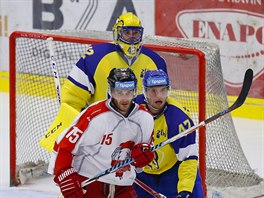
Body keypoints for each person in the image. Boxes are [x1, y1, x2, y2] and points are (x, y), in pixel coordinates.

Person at [39, 12, 167, 152]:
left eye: (135, 33)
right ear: (117, 33)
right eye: (126, 32)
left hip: (136, 132)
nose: (131, 37)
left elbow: (162, 101)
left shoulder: (155, 61)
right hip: (99, 129)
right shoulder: (95, 57)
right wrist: (76, 131)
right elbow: (73, 99)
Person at [48, 68, 155, 198]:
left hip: (123, 185)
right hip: (89, 183)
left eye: (128, 92)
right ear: (110, 91)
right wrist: (64, 174)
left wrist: (143, 158)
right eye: (119, 92)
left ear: (135, 91)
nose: (124, 98)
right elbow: (63, 146)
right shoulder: (95, 115)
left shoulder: (145, 118)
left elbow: (142, 157)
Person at [134, 69, 204, 198]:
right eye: (153, 90)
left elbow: (188, 158)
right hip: (140, 174)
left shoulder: (179, 118)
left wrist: (185, 190)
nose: (158, 95)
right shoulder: (132, 112)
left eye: (163, 90)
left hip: (173, 171)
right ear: (145, 92)